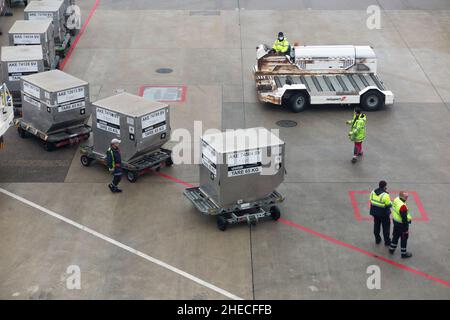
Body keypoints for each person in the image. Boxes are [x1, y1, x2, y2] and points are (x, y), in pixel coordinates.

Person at [389, 192, 413, 258]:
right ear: (402, 197)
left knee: (395, 236)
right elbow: (404, 219)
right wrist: (406, 229)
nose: (407, 198)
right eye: (406, 196)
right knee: (404, 239)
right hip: (402, 225)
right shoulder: (402, 206)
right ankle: (403, 253)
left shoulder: (396, 199)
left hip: (396, 222)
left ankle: (391, 249)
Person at [369, 180, 392, 246]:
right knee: (386, 228)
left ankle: (377, 239)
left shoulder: (373, 192)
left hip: (374, 212)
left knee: (376, 225)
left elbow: (371, 200)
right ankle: (387, 241)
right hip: (383, 214)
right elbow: (389, 204)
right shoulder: (385, 195)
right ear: (385, 187)